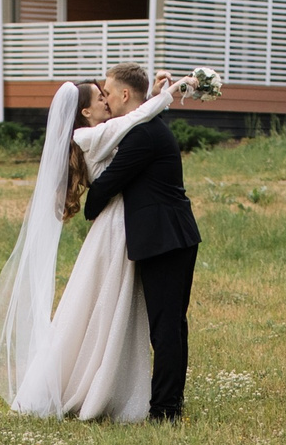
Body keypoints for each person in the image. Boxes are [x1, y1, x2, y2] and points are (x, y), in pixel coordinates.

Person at [0, 75, 176, 423]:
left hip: (122, 223)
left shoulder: (100, 131)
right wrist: (168, 95)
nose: (107, 99)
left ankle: (109, 381)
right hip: (116, 228)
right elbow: (135, 118)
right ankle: (92, 385)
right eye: (100, 97)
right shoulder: (87, 136)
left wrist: (152, 90)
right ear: (85, 110)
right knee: (105, 308)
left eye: (107, 93)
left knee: (107, 308)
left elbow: (132, 114)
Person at [80, 62, 199, 422]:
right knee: (172, 325)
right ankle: (170, 402)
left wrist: (87, 196)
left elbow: (105, 188)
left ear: (125, 94)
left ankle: (165, 409)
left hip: (164, 239)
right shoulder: (148, 127)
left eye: (109, 92)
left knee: (166, 327)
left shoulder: (142, 135)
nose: (107, 99)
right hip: (175, 234)